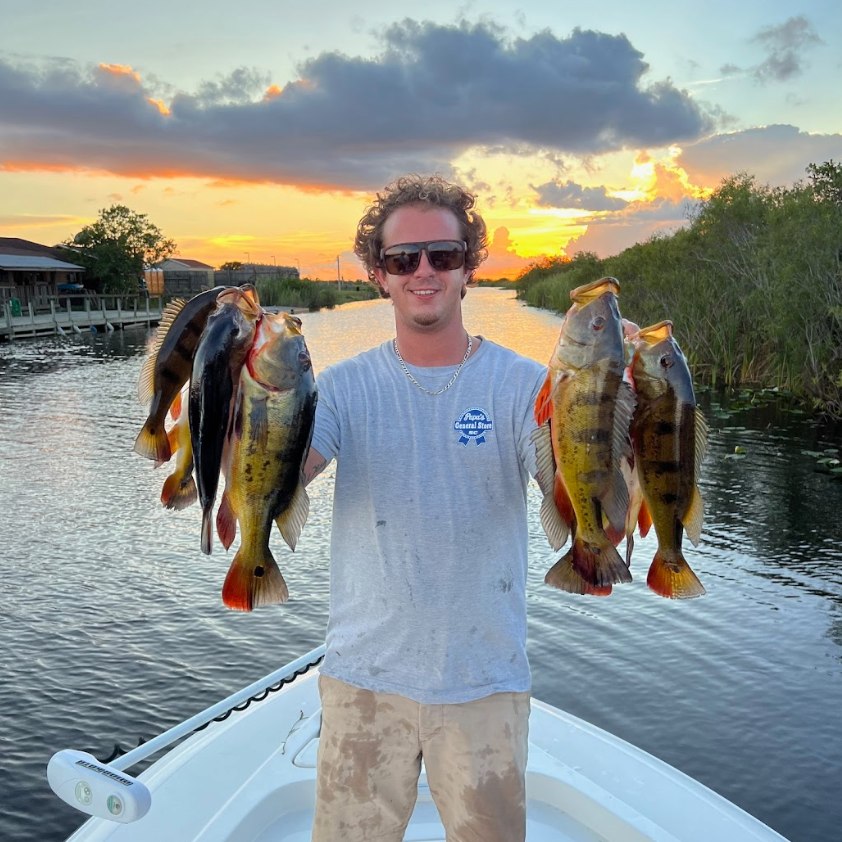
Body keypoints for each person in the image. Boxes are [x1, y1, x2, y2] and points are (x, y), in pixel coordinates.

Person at [302, 174, 547, 842]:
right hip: (363, 680)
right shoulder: (342, 388)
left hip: (484, 681)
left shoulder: (527, 385)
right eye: (402, 259)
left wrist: (620, 400)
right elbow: (284, 475)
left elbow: (571, 493)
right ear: (377, 275)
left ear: (471, 264)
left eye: (442, 254)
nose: (423, 271)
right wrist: (220, 400)